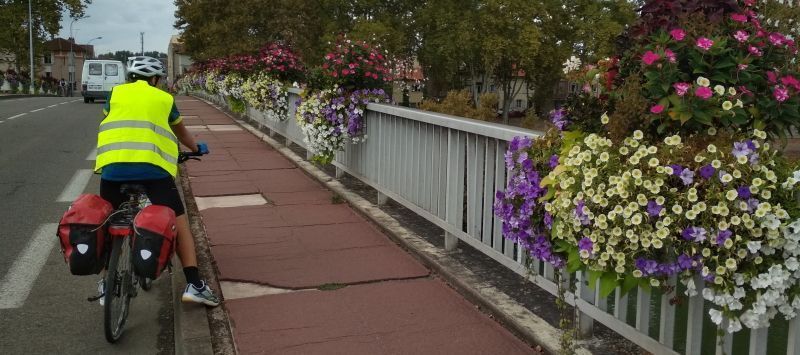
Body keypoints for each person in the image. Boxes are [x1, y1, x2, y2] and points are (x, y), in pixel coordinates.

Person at [94, 56, 220, 307]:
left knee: (107, 221)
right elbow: (180, 131)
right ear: (154, 79)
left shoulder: (115, 94)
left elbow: (113, 118)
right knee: (179, 220)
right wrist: (197, 148)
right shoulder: (164, 98)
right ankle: (195, 285)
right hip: (153, 171)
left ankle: (107, 281)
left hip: (112, 170)